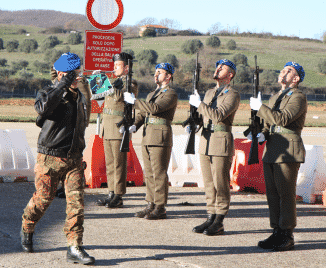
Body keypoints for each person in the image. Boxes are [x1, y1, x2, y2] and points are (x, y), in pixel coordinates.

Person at [20, 53, 95, 265]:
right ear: (63, 74)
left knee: (77, 205)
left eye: (80, 74)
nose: (79, 78)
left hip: (73, 159)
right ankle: (27, 224)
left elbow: (84, 122)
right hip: (50, 158)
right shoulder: (48, 93)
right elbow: (42, 108)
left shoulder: (79, 95)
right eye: (75, 75)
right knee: (43, 200)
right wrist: (62, 84)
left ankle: (74, 246)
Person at [250, 62, 307, 251]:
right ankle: (276, 231)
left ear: (296, 78)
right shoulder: (275, 96)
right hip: (272, 150)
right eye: (282, 69)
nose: (283, 71)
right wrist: (261, 134)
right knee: (273, 195)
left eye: (289, 71)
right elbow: (269, 124)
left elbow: (282, 119)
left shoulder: (298, 96)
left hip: (288, 150)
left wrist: (261, 107)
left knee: (286, 194)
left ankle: (287, 234)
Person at [188, 59, 240, 236]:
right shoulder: (210, 92)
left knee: (220, 183)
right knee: (209, 183)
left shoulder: (232, 94)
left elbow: (217, 115)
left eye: (222, 68)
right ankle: (210, 216)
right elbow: (204, 117)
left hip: (220, 141)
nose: (217, 69)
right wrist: (194, 122)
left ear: (230, 75)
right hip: (205, 140)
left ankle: (219, 220)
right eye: (217, 66)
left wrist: (199, 104)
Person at [123, 63, 178, 220]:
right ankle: (151, 204)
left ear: (168, 76)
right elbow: (143, 114)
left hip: (160, 137)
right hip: (148, 136)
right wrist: (134, 125)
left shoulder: (171, 94)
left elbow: (154, 108)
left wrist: (134, 101)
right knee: (149, 173)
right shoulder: (152, 94)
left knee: (159, 173)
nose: (156, 75)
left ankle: (160, 207)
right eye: (155, 72)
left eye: (159, 73)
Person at [96, 52, 139, 209]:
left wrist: (106, 82)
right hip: (107, 128)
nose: (114, 68)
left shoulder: (130, 83)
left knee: (119, 164)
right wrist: (97, 81)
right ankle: (111, 193)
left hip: (118, 128)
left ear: (126, 68)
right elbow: (99, 96)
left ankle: (118, 195)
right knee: (109, 163)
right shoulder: (115, 82)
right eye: (114, 65)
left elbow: (122, 96)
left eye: (118, 65)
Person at [50, 66, 92, 199]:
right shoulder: (68, 81)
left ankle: (77, 184)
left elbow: (86, 102)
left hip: (78, 123)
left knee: (74, 157)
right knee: (65, 156)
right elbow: (55, 77)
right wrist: (58, 64)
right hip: (71, 123)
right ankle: (65, 186)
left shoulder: (81, 83)